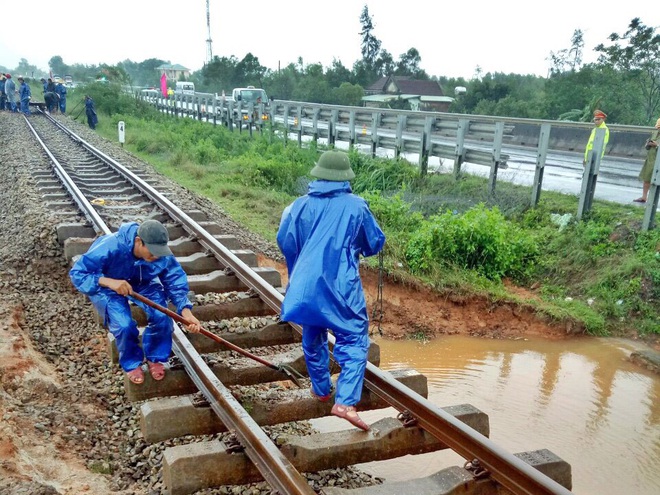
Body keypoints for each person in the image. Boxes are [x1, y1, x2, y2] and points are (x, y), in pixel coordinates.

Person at [276, 150, 385, 431]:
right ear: (345, 178)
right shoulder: (356, 206)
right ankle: (345, 402)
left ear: (319, 175)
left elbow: (285, 241)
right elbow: (374, 242)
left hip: (305, 289)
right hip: (340, 288)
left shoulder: (297, 206)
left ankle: (322, 389)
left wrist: (301, 270)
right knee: (354, 339)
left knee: (313, 334)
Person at [69, 220, 202, 384]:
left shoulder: (159, 251)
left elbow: (174, 279)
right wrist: (109, 282)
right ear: (138, 241)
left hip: (142, 283)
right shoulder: (110, 245)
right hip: (108, 286)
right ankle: (132, 362)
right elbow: (78, 274)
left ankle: (155, 356)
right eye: (152, 253)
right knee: (124, 325)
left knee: (162, 317)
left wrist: (186, 312)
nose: (156, 257)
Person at [635, 117, 660, 203]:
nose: (658, 128)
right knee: (647, 179)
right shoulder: (655, 132)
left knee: (656, 181)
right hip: (651, 159)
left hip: (658, 161)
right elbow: (647, 147)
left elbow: (657, 145)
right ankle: (644, 197)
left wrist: (656, 145)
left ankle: (653, 199)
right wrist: (648, 144)